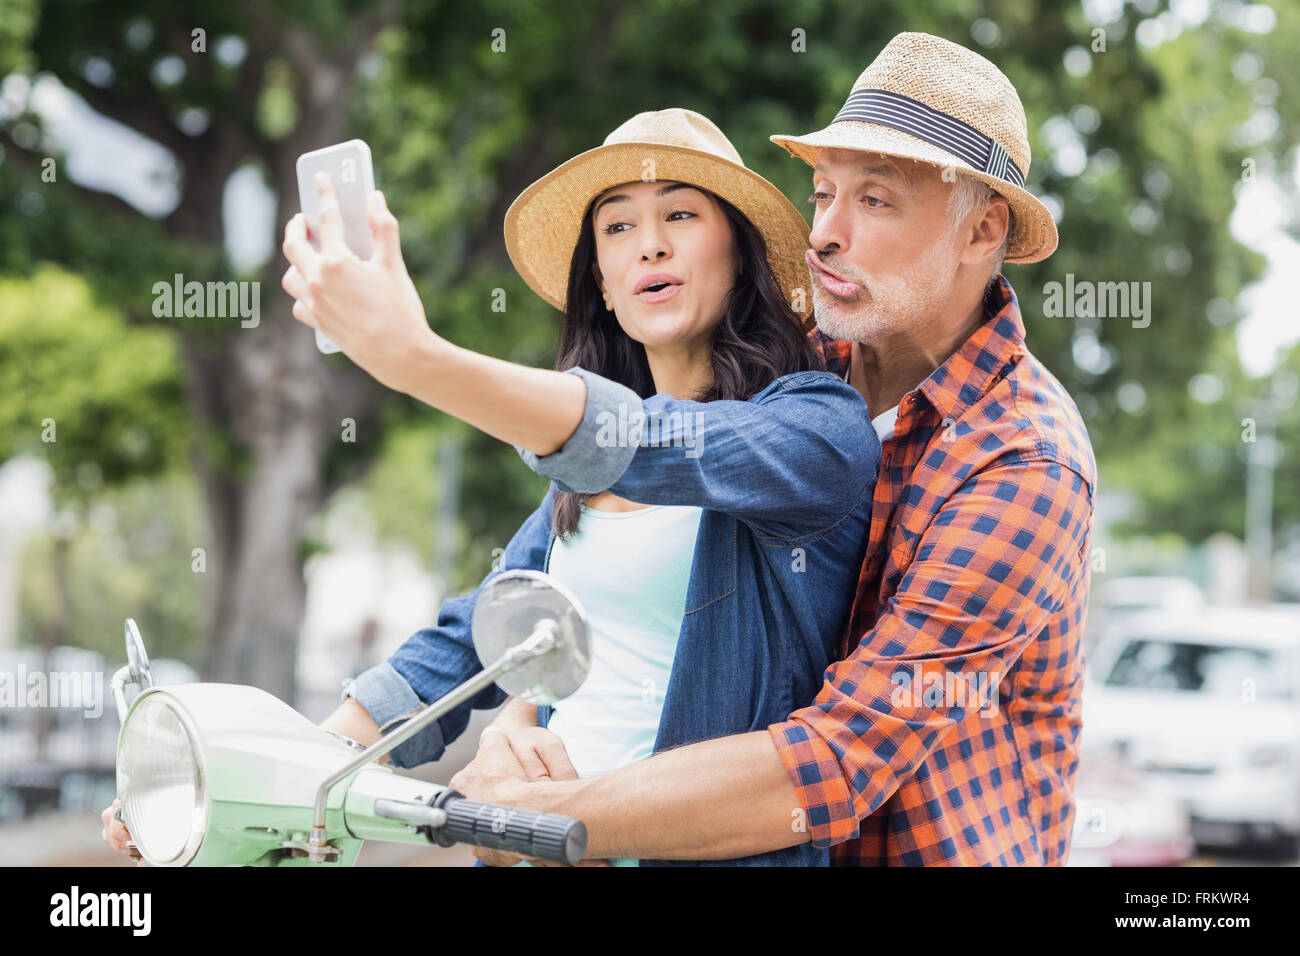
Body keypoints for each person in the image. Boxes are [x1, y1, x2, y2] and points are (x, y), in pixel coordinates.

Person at [102, 109, 880, 867]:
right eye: (617, 227)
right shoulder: (571, 500)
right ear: (603, 285)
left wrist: (418, 360)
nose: (649, 244)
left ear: (738, 255)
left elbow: (649, 443)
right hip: (529, 850)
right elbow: (472, 639)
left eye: (680, 214)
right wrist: (252, 775)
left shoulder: (817, 431)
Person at [439, 32, 1098, 867]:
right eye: (823, 194)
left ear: (983, 231)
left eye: (875, 200)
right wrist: (515, 722)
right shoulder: (788, 368)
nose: (825, 232)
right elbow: (575, 552)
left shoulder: (1026, 460)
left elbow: (834, 762)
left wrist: (541, 816)